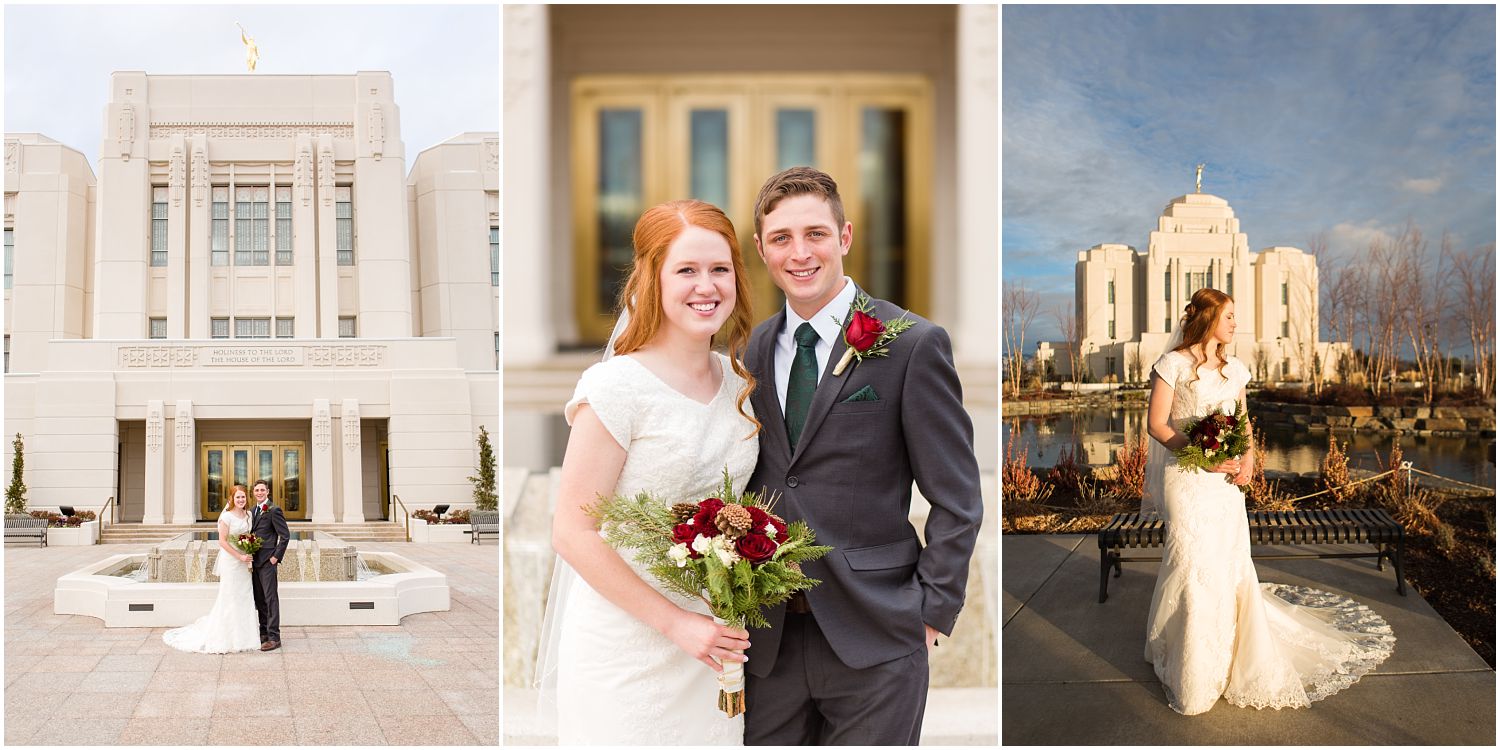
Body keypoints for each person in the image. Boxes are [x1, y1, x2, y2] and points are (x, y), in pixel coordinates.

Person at [741, 167, 983, 745]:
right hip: (768, 644)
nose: (800, 253)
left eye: (815, 234)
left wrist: (928, 614)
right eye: (781, 238)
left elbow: (957, 498)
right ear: (762, 249)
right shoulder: (748, 348)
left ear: (844, 236)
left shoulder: (912, 342)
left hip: (877, 635)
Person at [544, 199, 761, 744]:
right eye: (686, 270)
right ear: (652, 279)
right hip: (628, 647)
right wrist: (675, 623)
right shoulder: (617, 388)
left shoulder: (740, 384)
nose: (705, 286)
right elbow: (572, 531)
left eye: (719, 269)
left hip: (714, 644)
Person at [1142, 287, 1395, 715]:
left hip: (1224, 487)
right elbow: (1156, 424)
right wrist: (1200, 455)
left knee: (1228, 564)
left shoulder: (1235, 369)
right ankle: (1193, 667)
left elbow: (1242, 424)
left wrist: (1247, 462)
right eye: (1229, 316)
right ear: (1207, 319)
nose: (1235, 323)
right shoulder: (1172, 365)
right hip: (1187, 480)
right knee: (1190, 564)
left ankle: (1231, 658)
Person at [162, 484, 261, 654]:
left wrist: (248, 549)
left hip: (245, 561)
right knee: (230, 595)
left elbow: (247, 536)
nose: (240, 500)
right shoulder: (226, 517)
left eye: (243, 497)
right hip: (232, 562)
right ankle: (227, 637)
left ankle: (245, 637)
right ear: (231, 498)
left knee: (244, 595)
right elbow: (222, 542)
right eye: (237, 497)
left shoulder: (249, 515)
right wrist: (239, 556)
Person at [249, 478, 290, 652]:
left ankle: (274, 637)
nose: (259, 493)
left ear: (267, 491)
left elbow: (285, 535)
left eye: (262, 490)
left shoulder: (274, 510)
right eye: (256, 490)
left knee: (270, 599)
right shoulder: (252, 511)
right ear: (254, 493)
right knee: (260, 600)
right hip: (255, 562)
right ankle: (263, 633)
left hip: (267, 562)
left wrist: (275, 557)